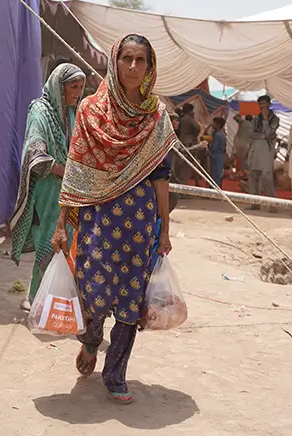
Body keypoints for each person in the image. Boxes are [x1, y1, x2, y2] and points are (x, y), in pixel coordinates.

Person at [52, 34, 175, 404]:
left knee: (130, 299)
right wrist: (63, 224)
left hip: (139, 221)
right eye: (127, 59)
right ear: (115, 62)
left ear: (150, 66)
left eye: (141, 60)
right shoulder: (91, 111)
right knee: (94, 290)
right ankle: (90, 342)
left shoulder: (156, 117)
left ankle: (116, 374)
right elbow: (75, 170)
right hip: (99, 217)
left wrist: (165, 228)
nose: (134, 67)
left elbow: (162, 178)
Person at [8, 63, 86, 310]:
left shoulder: (73, 113)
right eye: (73, 87)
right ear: (58, 86)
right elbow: (34, 151)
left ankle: (52, 298)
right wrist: (63, 170)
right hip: (47, 189)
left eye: (81, 87)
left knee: (67, 244)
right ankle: (36, 299)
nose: (78, 92)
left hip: (69, 190)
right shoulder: (40, 110)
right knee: (48, 243)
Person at [246, 95, 280, 210]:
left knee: (266, 177)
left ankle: (272, 205)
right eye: (260, 104)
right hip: (256, 149)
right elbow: (251, 134)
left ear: (269, 104)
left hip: (267, 151)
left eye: (264, 104)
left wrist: (265, 120)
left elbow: (270, 132)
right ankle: (254, 203)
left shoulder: (275, 119)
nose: (262, 106)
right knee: (253, 176)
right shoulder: (256, 119)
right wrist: (264, 136)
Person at [175, 103, 204, 185]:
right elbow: (197, 128)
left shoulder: (181, 119)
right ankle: (182, 188)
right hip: (188, 144)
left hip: (180, 143)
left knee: (179, 167)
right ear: (190, 111)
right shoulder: (189, 119)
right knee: (185, 168)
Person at [209, 117, 227, 187]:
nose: (212, 124)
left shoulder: (217, 135)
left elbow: (214, 147)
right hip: (220, 155)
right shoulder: (222, 134)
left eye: (214, 123)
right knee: (219, 173)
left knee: (215, 173)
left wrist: (210, 152)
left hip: (215, 155)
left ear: (218, 124)